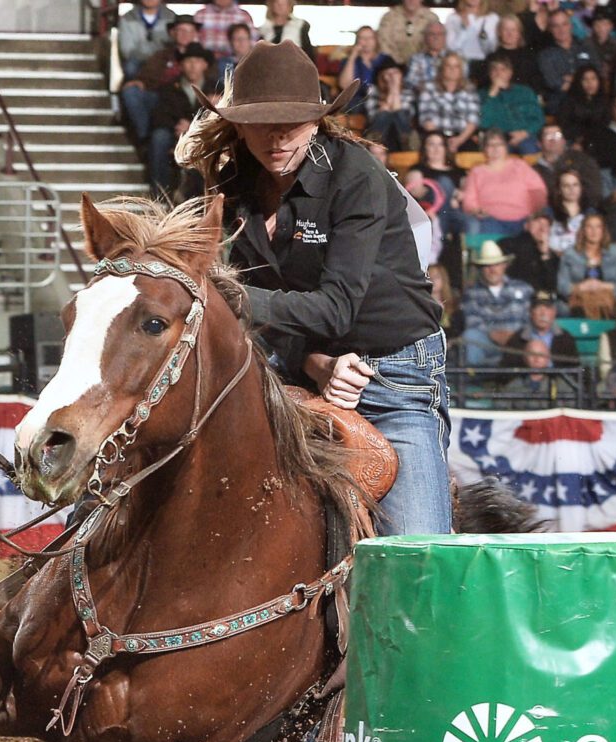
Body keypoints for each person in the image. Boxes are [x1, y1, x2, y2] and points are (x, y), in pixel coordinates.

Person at [178, 40, 451, 539]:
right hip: (298, 364)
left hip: (395, 376)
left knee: (420, 551)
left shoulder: (356, 175)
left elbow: (336, 308)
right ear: (238, 123)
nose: (277, 136)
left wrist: (230, 298)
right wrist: (313, 363)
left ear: (317, 121)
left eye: (293, 121)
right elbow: (268, 316)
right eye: (262, 121)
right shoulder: (232, 185)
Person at [123, 15, 203, 148]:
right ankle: (145, 137)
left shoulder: (204, 56)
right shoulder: (161, 55)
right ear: (173, 33)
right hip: (162, 101)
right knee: (131, 92)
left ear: (195, 34)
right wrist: (140, 81)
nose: (184, 35)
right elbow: (147, 75)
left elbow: (212, 82)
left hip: (191, 103)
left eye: (189, 31)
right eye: (180, 30)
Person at [458, 129, 548, 239]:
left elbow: (538, 190)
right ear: (484, 149)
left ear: (505, 147)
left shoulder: (520, 166)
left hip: (525, 220)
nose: (495, 148)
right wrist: (476, 210)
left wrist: (535, 213)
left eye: (499, 144)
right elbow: (469, 201)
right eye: (491, 145)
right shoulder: (477, 172)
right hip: (491, 221)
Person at [149, 41, 212, 195]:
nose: (192, 65)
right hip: (175, 134)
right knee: (159, 138)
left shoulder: (216, 87)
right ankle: (160, 193)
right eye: (188, 61)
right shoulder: (169, 88)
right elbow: (159, 115)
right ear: (182, 65)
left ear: (205, 65)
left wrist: (192, 127)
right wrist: (178, 128)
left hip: (206, 135)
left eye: (197, 61)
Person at [460, 239, 534, 365]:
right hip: (488, 342)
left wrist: (515, 338)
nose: (492, 269)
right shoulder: (472, 293)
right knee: (470, 336)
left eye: (496, 264)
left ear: (504, 265)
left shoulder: (523, 288)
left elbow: (531, 318)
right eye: (487, 266)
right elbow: (473, 322)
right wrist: (493, 334)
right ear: (481, 269)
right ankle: (476, 379)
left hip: (519, 342)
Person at [558, 212, 616, 318]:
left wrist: (602, 286)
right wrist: (580, 287)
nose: (594, 232)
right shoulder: (570, 254)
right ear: (583, 230)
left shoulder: (614, 252)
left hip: (608, 300)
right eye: (589, 227)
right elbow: (561, 286)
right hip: (579, 301)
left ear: (603, 230)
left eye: (598, 227)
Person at [416, 51, 481, 155]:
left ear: (461, 70)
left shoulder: (469, 89)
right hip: (436, 138)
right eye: (448, 66)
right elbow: (426, 121)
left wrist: (459, 140)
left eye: (456, 66)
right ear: (442, 68)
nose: (452, 70)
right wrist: (444, 143)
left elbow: (473, 121)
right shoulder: (429, 88)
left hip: (462, 137)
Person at [537, 8, 598, 110]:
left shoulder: (585, 47)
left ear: (571, 25)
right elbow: (554, 83)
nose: (561, 29)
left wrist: (570, 79)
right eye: (556, 26)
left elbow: (597, 73)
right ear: (550, 29)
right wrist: (583, 80)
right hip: (562, 104)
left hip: (589, 101)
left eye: (564, 24)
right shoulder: (545, 55)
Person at [480, 54, 541, 154]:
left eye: (503, 69)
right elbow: (483, 123)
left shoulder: (525, 92)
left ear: (510, 73)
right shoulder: (482, 95)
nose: (498, 73)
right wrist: (492, 94)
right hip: (498, 141)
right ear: (489, 73)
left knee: (529, 150)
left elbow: (538, 119)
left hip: (525, 136)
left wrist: (524, 133)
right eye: (494, 69)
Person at [511, 291, 579, 366]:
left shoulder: (565, 338)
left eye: (547, 308)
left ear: (554, 312)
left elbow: (575, 369)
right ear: (531, 312)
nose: (543, 313)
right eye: (538, 308)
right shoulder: (518, 339)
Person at [503, 338, 577, 407]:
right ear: (524, 357)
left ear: (548, 357)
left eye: (541, 354)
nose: (537, 358)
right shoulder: (513, 386)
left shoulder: (563, 384)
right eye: (532, 354)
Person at [505, 208, 561, 296]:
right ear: (526, 226)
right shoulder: (509, 244)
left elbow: (553, 286)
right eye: (537, 222)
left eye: (546, 225)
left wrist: (545, 255)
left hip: (542, 301)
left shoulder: (552, 256)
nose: (542, 228)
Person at [117, 0, 175, 83]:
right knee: (130, 68)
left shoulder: (170, 17)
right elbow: (126, 50)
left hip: (163, 60)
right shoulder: (128, 18)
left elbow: (172, 45)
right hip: (138, 61)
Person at [364, 57, 413, 153]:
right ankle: (377, 149)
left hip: (402, 134)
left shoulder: (408, 92)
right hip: (379, 133)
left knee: (399, 115)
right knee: (384, 115)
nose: (392, 77)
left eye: (395, 73)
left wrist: (394, 90)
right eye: (388, 73)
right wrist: (392, 90)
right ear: (381, 77)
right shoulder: (373, 91)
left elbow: (403, 116)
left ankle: (405, 146)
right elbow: (375, 117)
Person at [555, 64, 610, 150]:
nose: (590, 83)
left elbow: (606, 124)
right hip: (574, 141)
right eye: (585, 79)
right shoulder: (569, 101)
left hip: (598, 141)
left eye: (593, 79)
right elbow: (563, 126)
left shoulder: (604, 101)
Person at [377, 0, 438, 67]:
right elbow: (384, 44)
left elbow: (435, 45)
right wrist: (397, 64)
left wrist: (418, 62)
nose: (411, 1)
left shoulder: (431, 18)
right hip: (394, 65)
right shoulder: (389, 17)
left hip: (423, 66)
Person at [549, 168, 590, 254]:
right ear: (559, 190)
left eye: (575, 185)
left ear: (581, 188)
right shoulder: (549, 213)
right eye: (566, 185)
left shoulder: (590, 213)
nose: (571, 189)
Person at [404, 19, 447, 92]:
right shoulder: (416, 59)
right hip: (423, 97)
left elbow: (461, 82)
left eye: (440, 34)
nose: (436, 37)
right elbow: (410, 82)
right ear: (425, 38)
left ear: (445, 37)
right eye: (432, 34)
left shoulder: (454, 58)